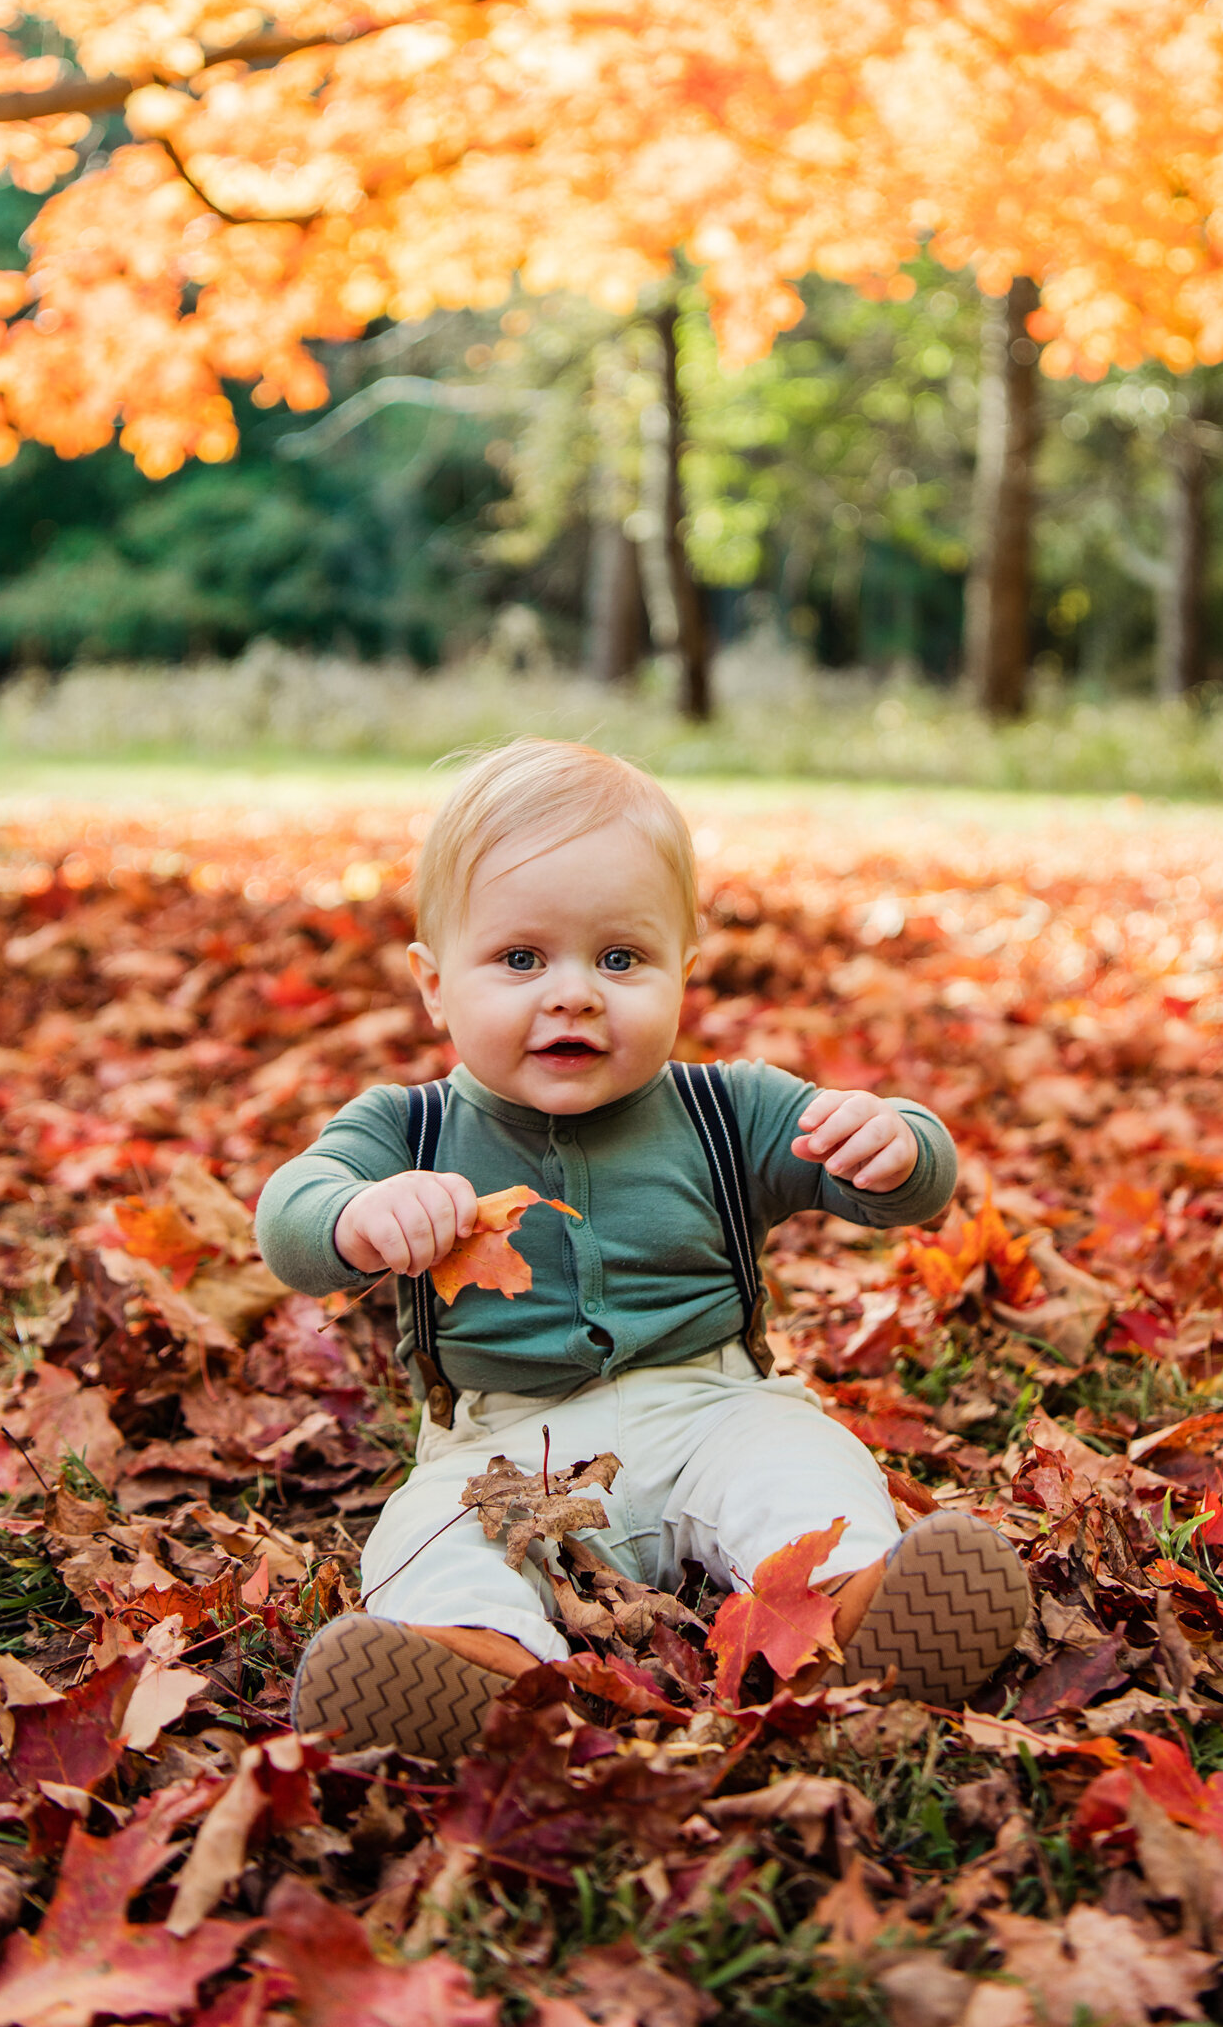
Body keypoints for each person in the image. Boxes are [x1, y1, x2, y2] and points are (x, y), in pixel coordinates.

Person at [256, 740, 1028, 1757]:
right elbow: (289, 1211)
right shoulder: (408, 1128)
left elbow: (900, 1185)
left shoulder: (725, 1106)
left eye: (619, 958)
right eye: (521, 958)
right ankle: (480, 1667)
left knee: (800, 1468)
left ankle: (855, 1614)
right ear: (434, 985)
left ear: (682, 973)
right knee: (431, 1537)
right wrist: (355, 1217)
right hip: (503, 1451)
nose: (573, 992)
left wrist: (895, 1141)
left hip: (714, 1407)